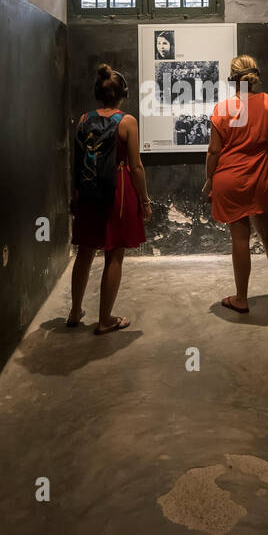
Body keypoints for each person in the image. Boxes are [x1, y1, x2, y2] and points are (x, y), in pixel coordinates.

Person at [203, 55, 268, 312]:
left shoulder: (223, 108)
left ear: (233, 78)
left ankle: (241, 299)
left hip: (230, 178)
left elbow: (214, 152)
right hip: (260, 175)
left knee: (240, 238)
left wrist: (209, 179)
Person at [69, 64, 151, 333]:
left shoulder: (83, 120)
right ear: (122, 94)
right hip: (117, 189)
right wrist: (145, 200)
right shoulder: (127, 122)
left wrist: (75, 193)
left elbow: (77, 161)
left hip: (88, 191)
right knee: (114, 254)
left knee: (84, 251)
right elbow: (136, 166)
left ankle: (74, 312)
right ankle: (105, 320)